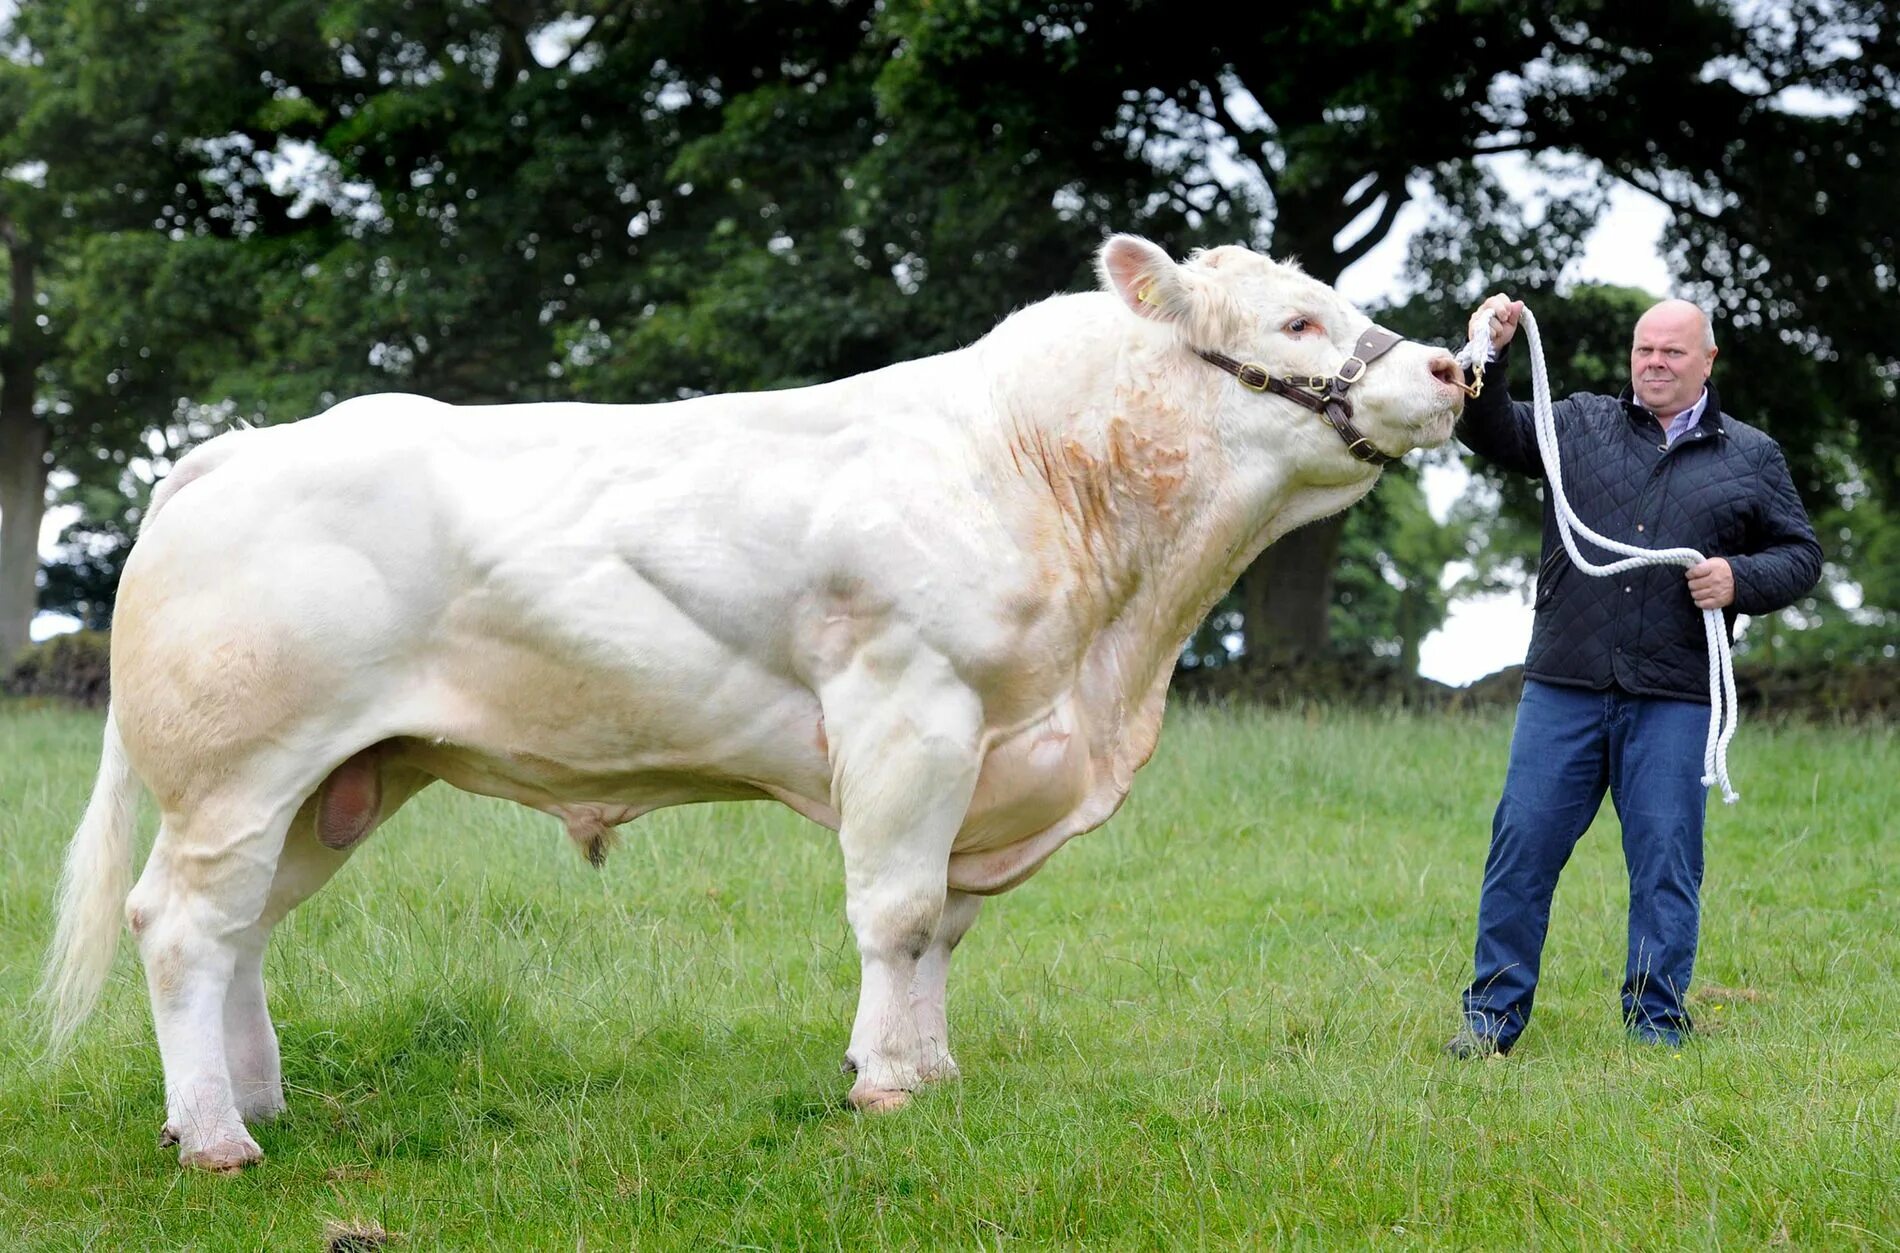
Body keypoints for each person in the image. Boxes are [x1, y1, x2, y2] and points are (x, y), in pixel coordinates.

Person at [1446, 293, 1823, 1057]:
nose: (1653, 363)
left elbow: (1801, 555)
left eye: (1672, 352)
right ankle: (1490, 1023)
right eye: (1644, 350)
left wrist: (1738, 579)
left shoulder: (1753, 456)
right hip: (1565, 683)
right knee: (1520, 850)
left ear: (1707, 361)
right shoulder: (1576, 422)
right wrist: (1489, 351)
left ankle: (1655, 1026)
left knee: (1665, 865)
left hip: (1675, 694)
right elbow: (1487, 429)